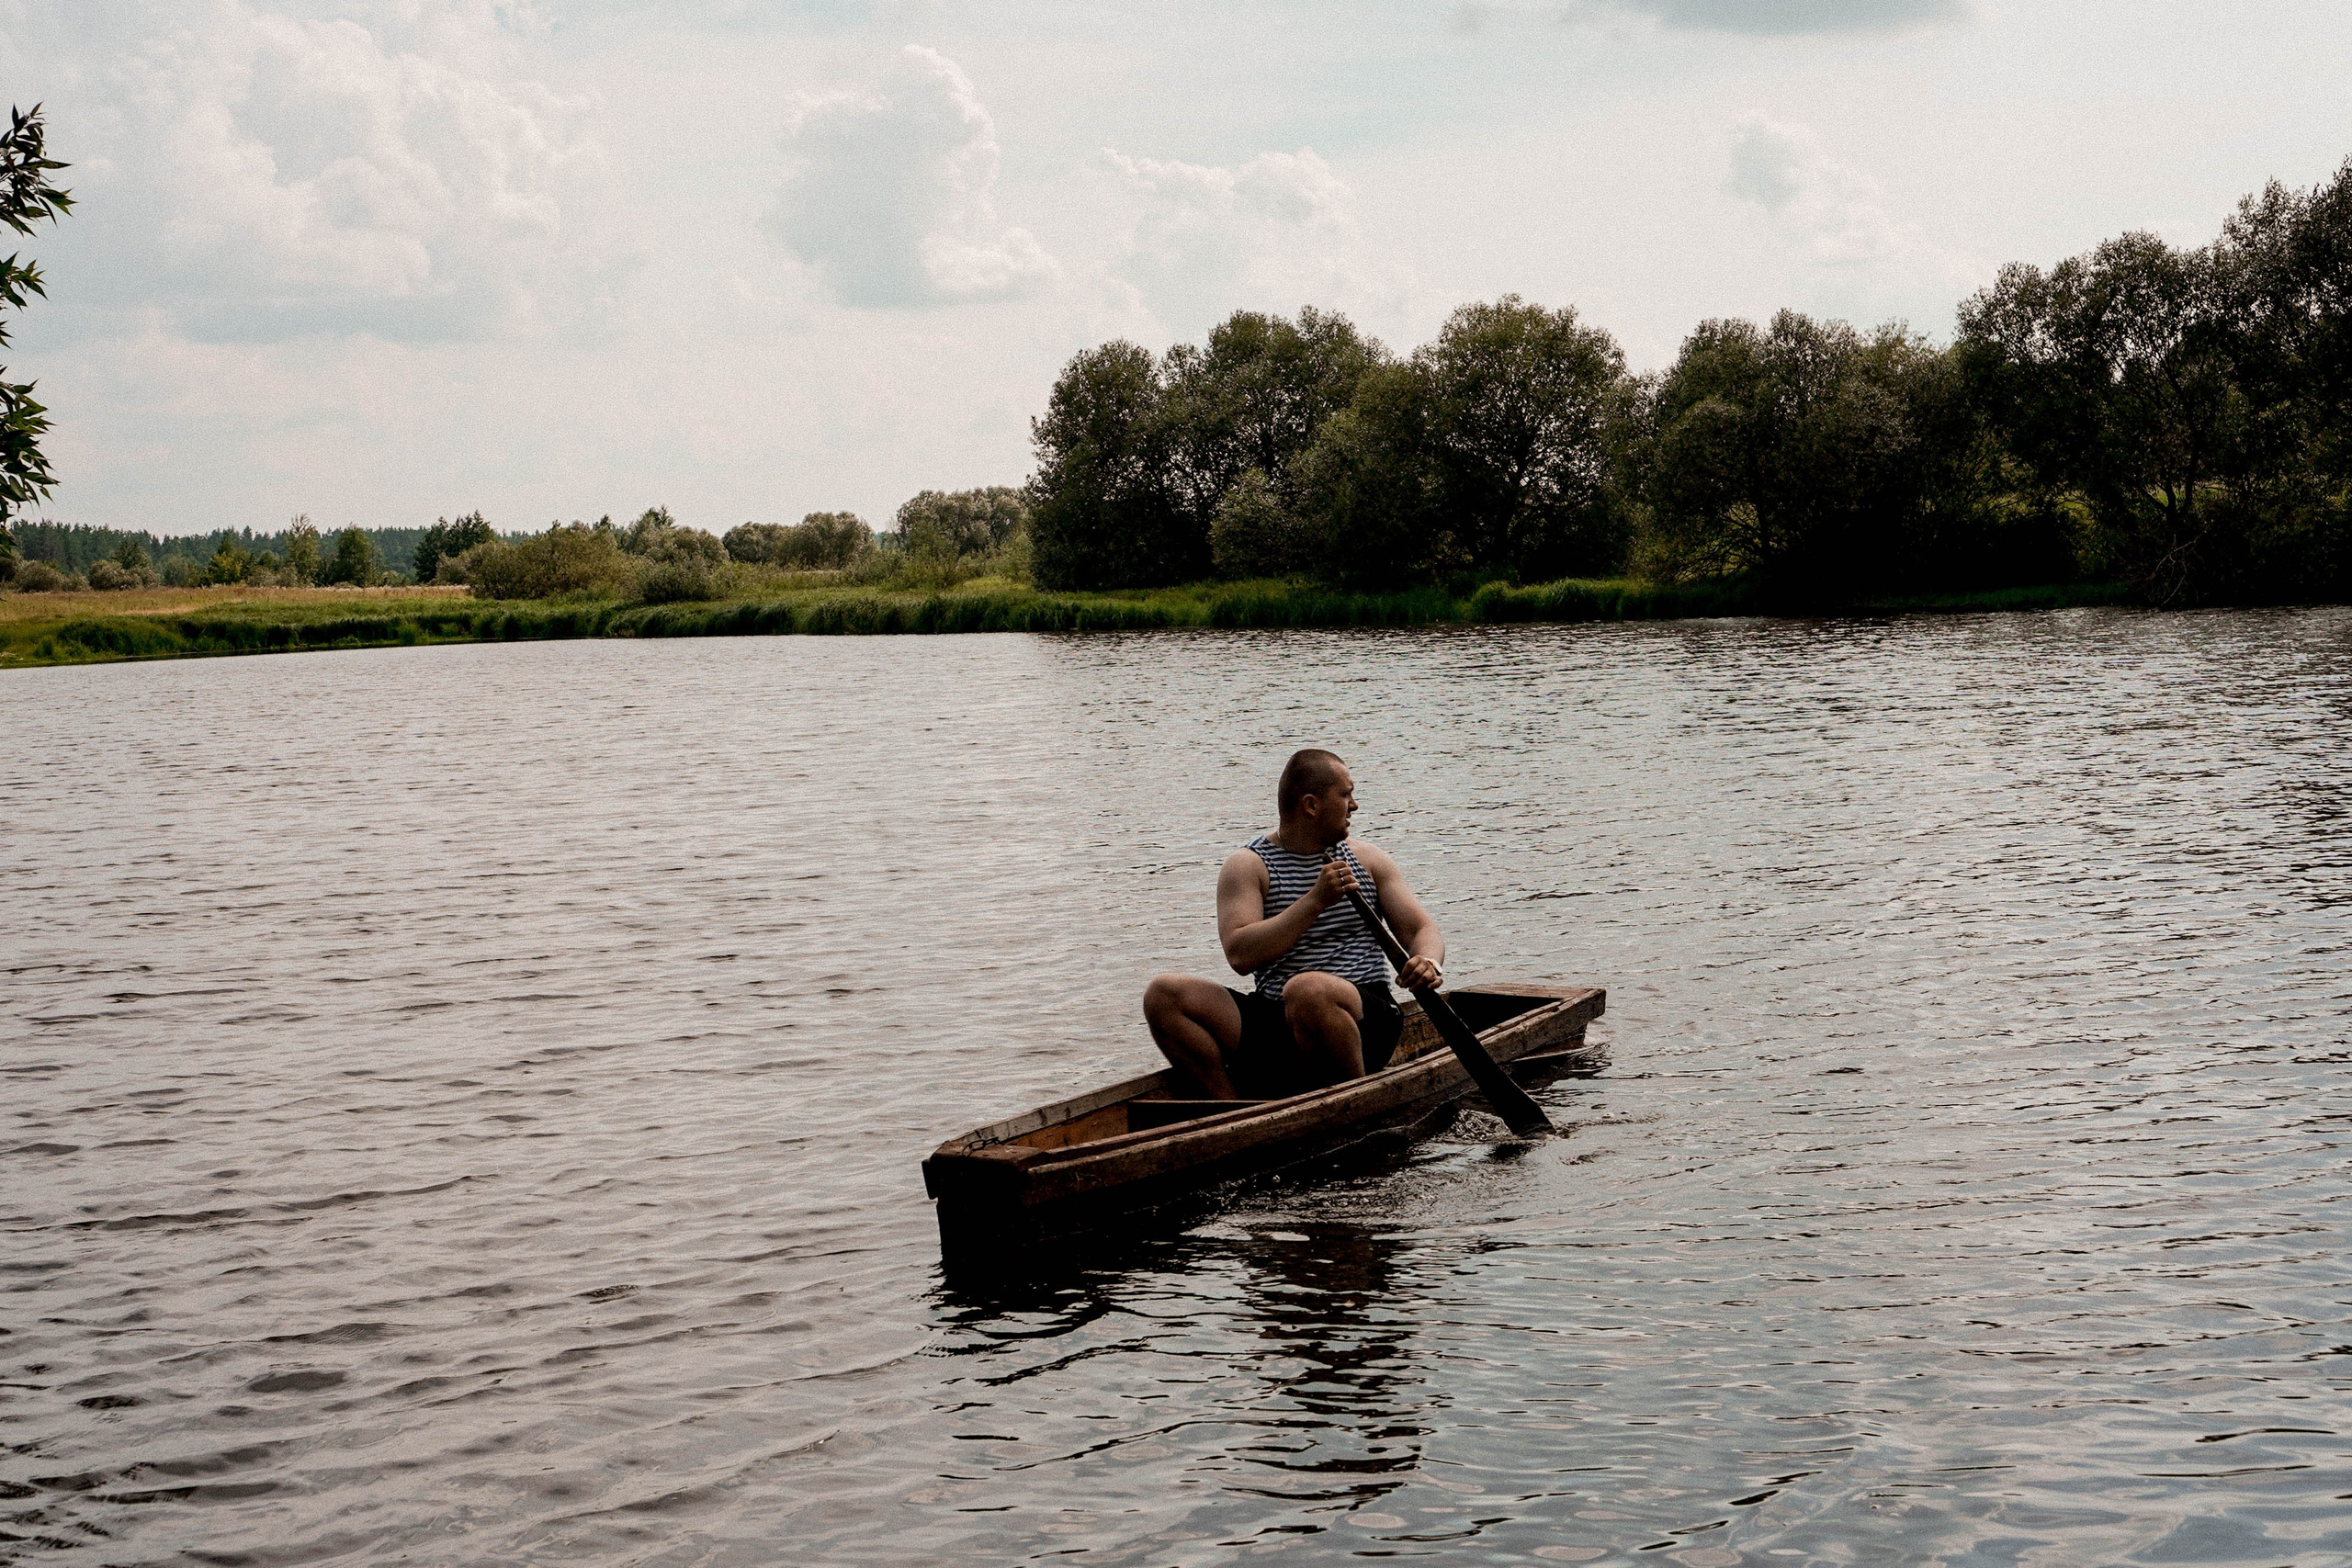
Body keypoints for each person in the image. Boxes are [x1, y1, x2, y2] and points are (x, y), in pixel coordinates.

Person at [1143, 749, 1446, 1099]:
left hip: (1365, 1017)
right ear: (1311, 806)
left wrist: (1427, 961)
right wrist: (1314, 902)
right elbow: (1240, 956)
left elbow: (1421, 930)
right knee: (1164, 995)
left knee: (1309, 991)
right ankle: (1233, 1116)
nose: (1355, 806)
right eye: (1346, 795)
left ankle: (1355, 1101)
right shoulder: (1249, 865)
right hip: (1278, 1017)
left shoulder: (1368, 859)